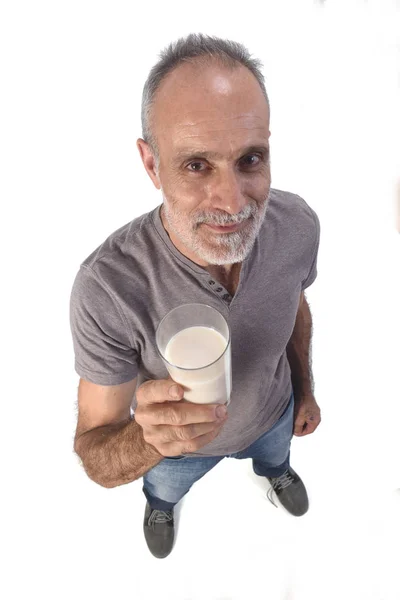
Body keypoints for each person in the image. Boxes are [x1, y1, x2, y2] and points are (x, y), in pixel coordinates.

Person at [70, 33, 322, 559]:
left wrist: (305, 389)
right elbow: (94, 450)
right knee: (166, 483)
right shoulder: (108, 286)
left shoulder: (296, 224)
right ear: (151, 164)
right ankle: (162, 503)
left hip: (274, 417)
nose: (232, 203)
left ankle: (275, 472)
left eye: (250, 159)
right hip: (178, 453)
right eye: (195, 165)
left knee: (276, 456)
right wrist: (148, 441)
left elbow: (293, 305)